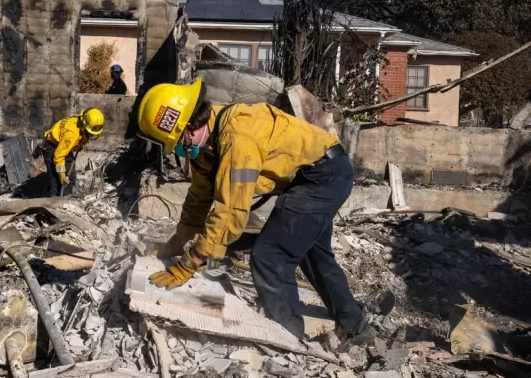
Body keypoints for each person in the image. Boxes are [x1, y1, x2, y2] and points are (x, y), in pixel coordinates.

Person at [136, 78, 373, 344]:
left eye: (178, 141)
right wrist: (176, 243)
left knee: (271, 256)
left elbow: (231, 211)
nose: (178, 150)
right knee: (313, 255)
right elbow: (199, 198)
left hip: (323, 175)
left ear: (190, 126)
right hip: (311, 177)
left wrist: (191, 262)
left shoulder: (237, 135)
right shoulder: (208, 141)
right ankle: (355, 327)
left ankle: (289, 341)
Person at [43, 108, 104, 196]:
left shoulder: (82, 121)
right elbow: (59, 156)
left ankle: (66, 200)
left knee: (70, 178)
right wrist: (61, 174)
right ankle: (53, 202)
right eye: (90, 133)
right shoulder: (71, 135)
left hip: (64, 147)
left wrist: (79, 145)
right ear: (84, 125)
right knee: (56, 181)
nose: (91, 136)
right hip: (53, 148)